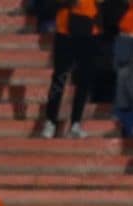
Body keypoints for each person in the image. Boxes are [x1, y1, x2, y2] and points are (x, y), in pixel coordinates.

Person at [41, 0, 99, 139]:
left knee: (84, 80)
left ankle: (76, 123)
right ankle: (50, 121)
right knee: (59, 78)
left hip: (89, 30)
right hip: (65, 32)